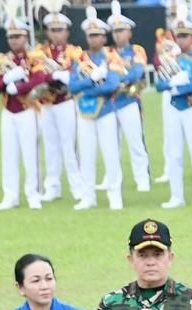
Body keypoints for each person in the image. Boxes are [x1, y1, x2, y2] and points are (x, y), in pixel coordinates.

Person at [156, 4, 192, 209]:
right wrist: (172, 83)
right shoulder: (171, 58)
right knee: (174, 153)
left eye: (185, 36)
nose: (181, 40)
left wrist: (180, 86)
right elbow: (159, 84)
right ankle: (176, 196)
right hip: (173, 108)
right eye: (178, 36)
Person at [0, 5, 47, 211]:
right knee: (9, 154)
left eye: (18, 36)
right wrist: (7, 80)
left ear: (25, 37)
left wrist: (20, 86)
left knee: (30, 154)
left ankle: (33, 194)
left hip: (28, 109)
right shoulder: (3, 59)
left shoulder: (34, 57)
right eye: (11, 37)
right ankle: (10, 195)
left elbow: (39, 79)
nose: (14, 40)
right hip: (9, 110)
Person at [69, 7, 124, 210]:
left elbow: (112, 85)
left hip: (106, 111)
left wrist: (88, 89)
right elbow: (72, 85)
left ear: (104, 37)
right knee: (86, 155)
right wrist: (92, 81)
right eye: (90, 35)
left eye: (97, 35)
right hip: (84, 112)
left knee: (110, 154)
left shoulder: (112, 58)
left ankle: (115, 195)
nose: (93, 39)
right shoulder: (80, 59)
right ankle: (88, 196)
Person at [33, 0, 84, 204]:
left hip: (65, 101)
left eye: (60, 30)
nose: (56, 34)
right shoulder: (40, 52)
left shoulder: (74, 51)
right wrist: (52, 77)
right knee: (51, 146)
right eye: (52, 30)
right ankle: (52, 186)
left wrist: (62, 76)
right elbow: (37, 75)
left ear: (67, 31)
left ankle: (77, 186)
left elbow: (77, 72)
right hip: (47, 102)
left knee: (69, 146)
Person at [107, 1, 152, 194]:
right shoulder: (107, 52)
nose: (118, 34)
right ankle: (111, 178)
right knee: (110, 143)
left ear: (129, 32)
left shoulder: (137, 51)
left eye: (121, 30)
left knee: (135, 142)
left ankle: (142, 178)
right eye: (115, 30)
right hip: (109, 102)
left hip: (129, 100)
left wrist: (117, 77)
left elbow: (137, 73)